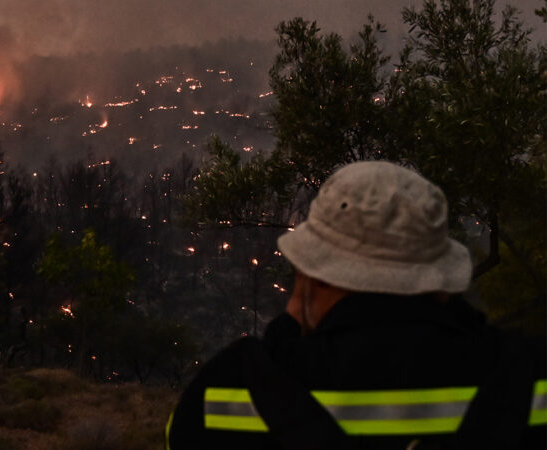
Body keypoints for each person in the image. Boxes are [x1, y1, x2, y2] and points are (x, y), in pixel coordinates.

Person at [165, 161, 546, 449]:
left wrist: (289, 329)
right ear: (440, 282)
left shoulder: (226, 393)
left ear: (315, 274)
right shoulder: (530, 380)